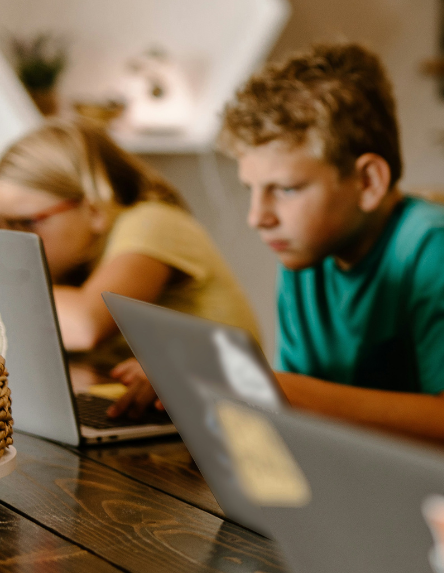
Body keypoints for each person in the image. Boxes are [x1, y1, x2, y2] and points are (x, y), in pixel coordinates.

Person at [211, 43, 444, 449]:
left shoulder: (438, 248)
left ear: (368, 182)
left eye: (285, 189)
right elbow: (303, 413)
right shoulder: (303, 256)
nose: (258, 217)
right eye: (252, 190)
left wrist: (285, 391)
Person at [0, 117, 261, 409]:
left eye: (26, 221)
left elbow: (86, 324)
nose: (14, 238)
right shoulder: (74, 264)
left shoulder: (153, 220)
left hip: (233, 416)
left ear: (93, 208)